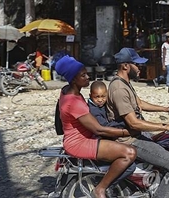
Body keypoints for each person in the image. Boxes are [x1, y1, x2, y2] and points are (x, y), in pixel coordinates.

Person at [106, 47, 169, 198]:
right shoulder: (118, 89)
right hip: (130, 140)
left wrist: (167, 109)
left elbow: (139, 104)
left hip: (136, 134)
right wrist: (167, 126)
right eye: (137, 64)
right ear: (125, 66)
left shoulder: (125, 83)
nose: (140, 68)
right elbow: (134, 123)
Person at [54, 55, 137, 198]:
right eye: (83, 75)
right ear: (73, 79)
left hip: (81, 137)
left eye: (87, 73)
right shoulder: (73, 102)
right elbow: (98, 129)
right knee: (129, 153)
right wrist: (127, 131)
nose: (88, 77)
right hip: (79, 143)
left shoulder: (67, 90)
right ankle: (101, 189)